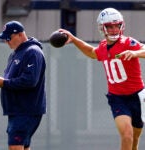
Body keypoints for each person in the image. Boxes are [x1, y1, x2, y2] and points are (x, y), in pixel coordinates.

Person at [59, 8, 145, 150]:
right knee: (127, 135)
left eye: (117, 25)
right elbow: (92, 52)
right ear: (102, 28)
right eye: (109, 26)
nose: (114, 29)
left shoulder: (128, 43)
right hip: (118, 98)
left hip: (137, 96)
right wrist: (74, 39)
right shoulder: (103, 47)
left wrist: (136, 53)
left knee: (134, 139)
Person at [0, 20, 46, 150]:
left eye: (8, 38)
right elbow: (12, 78)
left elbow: (30, 80)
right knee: (23, 147)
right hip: (18, 110)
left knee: (15, 147)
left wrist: (4, 83)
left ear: (19, 35)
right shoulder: (16, 53)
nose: (6, 41)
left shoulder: (32, 52)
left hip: (25, 110)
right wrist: (1, 80)